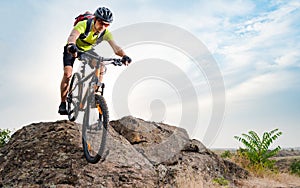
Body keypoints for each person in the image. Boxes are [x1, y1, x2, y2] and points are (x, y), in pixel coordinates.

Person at [58, 7, 131, 115]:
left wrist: (124, 56)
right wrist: (71, 45)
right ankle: (63, 103)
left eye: (106, 24)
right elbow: (72, 36)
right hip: (73, 48)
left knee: (101, 65)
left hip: (87, 50)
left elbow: (116, 47)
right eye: (101, 23)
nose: (103, 26)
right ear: (95, 19)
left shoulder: (105, 33)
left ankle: (95, 94)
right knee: (67, 73)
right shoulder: (84, 25)